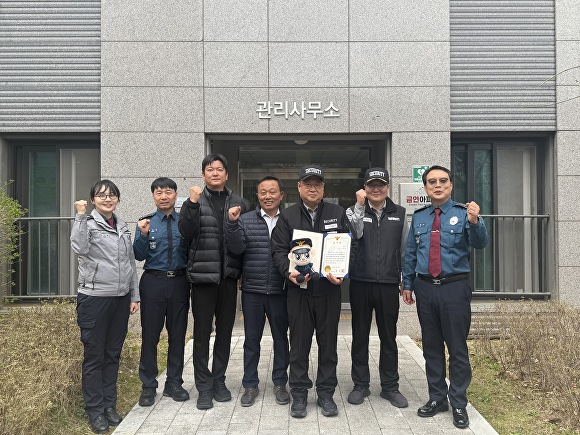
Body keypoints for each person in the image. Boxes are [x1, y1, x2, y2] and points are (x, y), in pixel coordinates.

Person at [402, 165, 489, 429]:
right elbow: (410, 253)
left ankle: (458, 402)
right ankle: (437, 397)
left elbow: (480, 243)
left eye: (443, 181)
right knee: (431, 347)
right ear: (425, 188)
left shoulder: (464, 213)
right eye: (432, 182)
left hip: (454, 288)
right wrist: (408, 284)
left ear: (451, 185)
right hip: (425, 288)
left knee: (457, 347)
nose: (437, 185)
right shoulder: (419, 217)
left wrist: (475, 221)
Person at [271, 164, 356, 418]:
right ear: (298, 187)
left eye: (317, 184)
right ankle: (299, 393)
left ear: (323, 188)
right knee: (299, 344)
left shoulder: (337, 213)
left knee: (328, 344)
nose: (312, 188)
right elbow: (278, 250)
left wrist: (342, 271)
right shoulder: (288, 216)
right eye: (307, 184)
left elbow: (349, 247)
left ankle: (326, 393)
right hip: (299, 291)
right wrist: (288, 271)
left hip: (329, 290)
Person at [178, 153, 249, 410]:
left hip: (228, 278)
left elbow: (243, 242)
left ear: (227, 175)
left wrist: (241, 273)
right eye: (210, 169)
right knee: (201, 334)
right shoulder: (193, 201)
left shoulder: (239, 202)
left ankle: (219, 380)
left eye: (219, 169)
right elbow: (186, 232)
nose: (215, 173)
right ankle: (204, 386)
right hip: (202, 279)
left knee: (225, 333)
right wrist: (192, 204)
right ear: (203, 175)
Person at [70, 179, 140, 434]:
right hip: (94, 299)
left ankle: (109, 405)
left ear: (118, 199)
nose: (107, 199)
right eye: (101, 195)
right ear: (93, 200)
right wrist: (80, 216)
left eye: (112, 195)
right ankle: (95, 410)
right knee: (94, 356)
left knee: (112, 354)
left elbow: (130, 263)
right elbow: (79, 248)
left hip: (120, 299)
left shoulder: (122, 226)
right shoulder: (87, 223)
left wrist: (134, 296)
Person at [345, 167, 409, 408]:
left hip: (388, 284)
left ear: (388, 187)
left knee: (388, 337)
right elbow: (354, 234)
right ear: (364, 188)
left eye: (380, 184)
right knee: (360, 336)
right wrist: (360, 206)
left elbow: (405, 251)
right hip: (360, 282)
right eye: (371, 185)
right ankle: (360, 385)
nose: (376, 189)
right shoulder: (353, 211)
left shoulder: (399, 214)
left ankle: (390, 386)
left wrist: (406, 281)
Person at [225, 176, 290, 407]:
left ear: (281, 195)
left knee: (281, 339)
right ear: (257, 196)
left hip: (281, 289)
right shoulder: (245, 220)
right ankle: (250, 384)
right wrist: (232, 224)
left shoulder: (289, 219)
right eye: (263, 192)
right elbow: (236, 249)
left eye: (272, 191)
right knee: (251, 340)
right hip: (252, 290)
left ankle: (280, 383)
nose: (268, 196)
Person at [133, 177, 190, 407]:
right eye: (159, 192)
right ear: (153, 196)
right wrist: (143, 235)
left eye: (168, 192)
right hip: (153, 283)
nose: (164, 196)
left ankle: (174, 383)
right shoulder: (145, 222)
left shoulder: (185, 222)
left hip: (179, 282)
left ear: (175, 194)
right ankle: (148, 385)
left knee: (177, 334)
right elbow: (138, 255)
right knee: (150, 335)